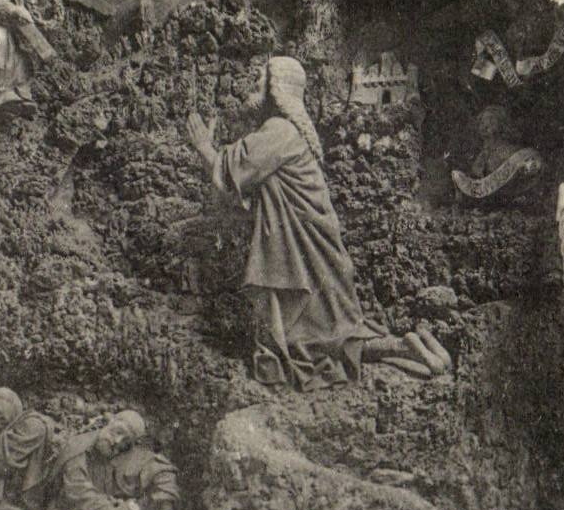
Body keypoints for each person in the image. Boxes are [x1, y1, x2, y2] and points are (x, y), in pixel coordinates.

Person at [185, 56, 451, 386]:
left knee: (309, 345)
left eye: (260, 83)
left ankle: (407, 347)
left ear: (276, 91)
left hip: (302, 254)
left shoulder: (278, 131)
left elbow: (228, 173)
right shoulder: (290, 134)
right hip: (310, 247)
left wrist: (202, 146)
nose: (252, 90)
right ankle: (407, 346)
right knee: (328, 337)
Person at [46, 409, 182, 510]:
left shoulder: (122, 454)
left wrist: (166, 507)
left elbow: (159, 470)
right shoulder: (77, 448)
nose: (116, 441)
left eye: (125, 440)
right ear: (109, 422)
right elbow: (80, 496)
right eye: (117, 432)